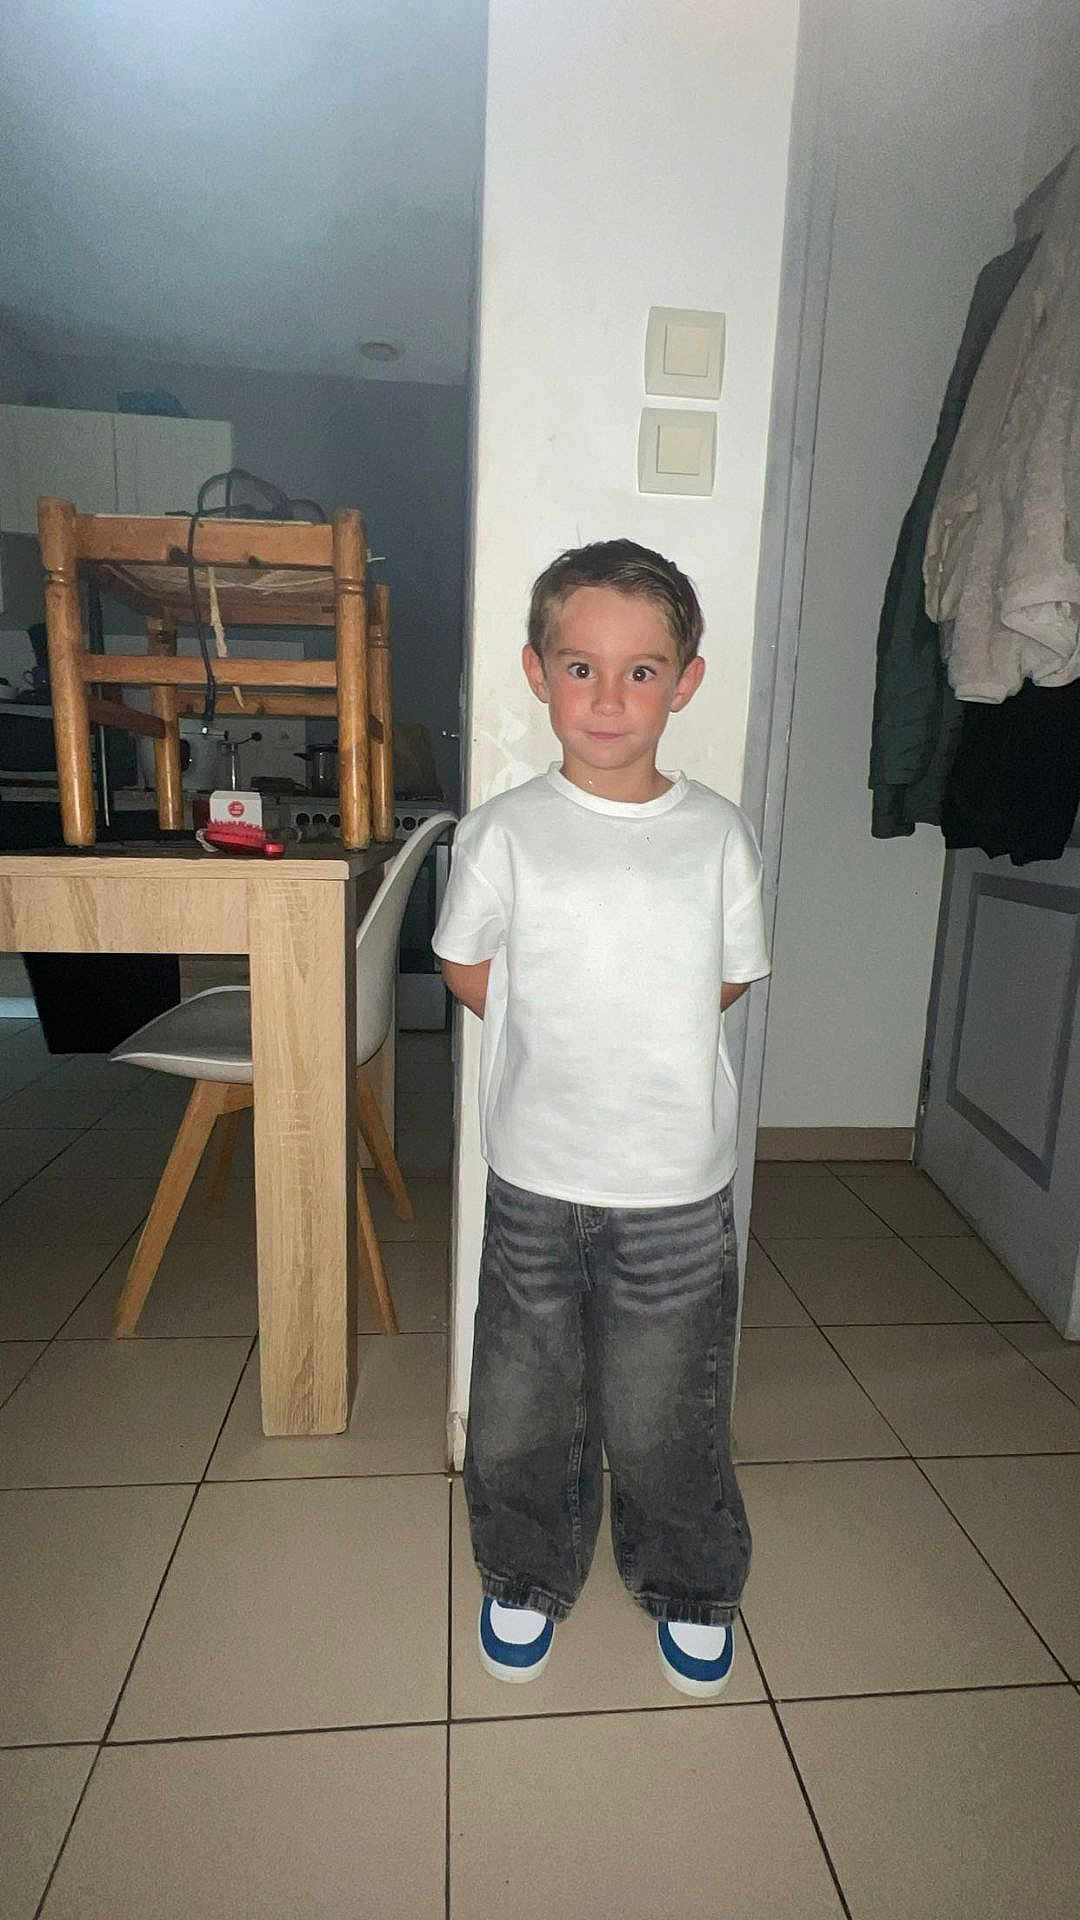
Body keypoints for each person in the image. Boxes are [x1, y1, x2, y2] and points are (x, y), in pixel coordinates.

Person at [433, 539, 770, 1697]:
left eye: (641, 672)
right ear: (536, 672)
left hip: (677, 1187)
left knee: (664, 1408)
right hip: (536, 1174)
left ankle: (686, 1580)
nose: (609, 698)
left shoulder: (717, 833)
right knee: (524, 1400)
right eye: (582, 667)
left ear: (686, 682)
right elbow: (467, 967)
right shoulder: (506, 829)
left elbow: (727, 976)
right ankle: (523, 1573)